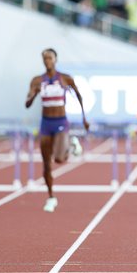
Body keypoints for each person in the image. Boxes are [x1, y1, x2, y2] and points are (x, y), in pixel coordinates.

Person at [25, 48, 89, 212]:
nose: (48, 61)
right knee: (46, 164)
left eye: (50, 58)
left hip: (60, 122)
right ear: (42, 61)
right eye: (45, 58)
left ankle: (71, 142)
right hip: (46, 124)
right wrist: (34, 95)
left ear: (55, 59)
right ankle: (51, 197)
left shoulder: (65, 78)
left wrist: (84, 118)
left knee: (60, 159)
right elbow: (27, 103)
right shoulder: (37, 81)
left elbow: (79, 96)